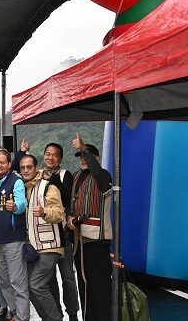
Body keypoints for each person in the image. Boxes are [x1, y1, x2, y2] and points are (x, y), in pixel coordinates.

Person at [68, 134, 112, 321]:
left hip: (97, 241)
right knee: (84, 285)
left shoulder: (103, 176)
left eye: (88, 156)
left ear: (97, 158)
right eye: (81, 156)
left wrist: (83, 147)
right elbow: (71, 204)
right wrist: (69, 219)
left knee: (100, 286)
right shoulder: (76, 176)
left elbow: (98, 173)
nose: (83, 159)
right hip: (79, 242)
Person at [20, 154, 65, 321]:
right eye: (23, 167)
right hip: (33, 248)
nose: (26, 170)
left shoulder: (48, 186)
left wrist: (45, 212)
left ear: (36, 167)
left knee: (36, 285)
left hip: (50, 246)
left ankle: (55, 319)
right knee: (28, 287)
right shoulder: (22, 188)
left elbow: (59, 213)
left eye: (29, 167)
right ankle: (47, 318)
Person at [42, 142, 80, 321]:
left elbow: (66, 198)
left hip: (63, 235)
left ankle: (73, 313)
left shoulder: (66, 175)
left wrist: (53, 179)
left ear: (61, 159)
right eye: (48, 154)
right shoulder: (39, 175)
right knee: (49, 279)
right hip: (46, 236)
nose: (50, 158)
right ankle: (56, 313)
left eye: (55, 155)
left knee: (68, 278)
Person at [0, 147, 30, 321]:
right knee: (5, 281)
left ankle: (22, 317)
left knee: (17, 282)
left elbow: (22, 203)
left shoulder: (16, 181)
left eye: (2, 162)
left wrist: (15, 206)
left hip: (14, 239)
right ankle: (14, 313)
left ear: (9, 164)